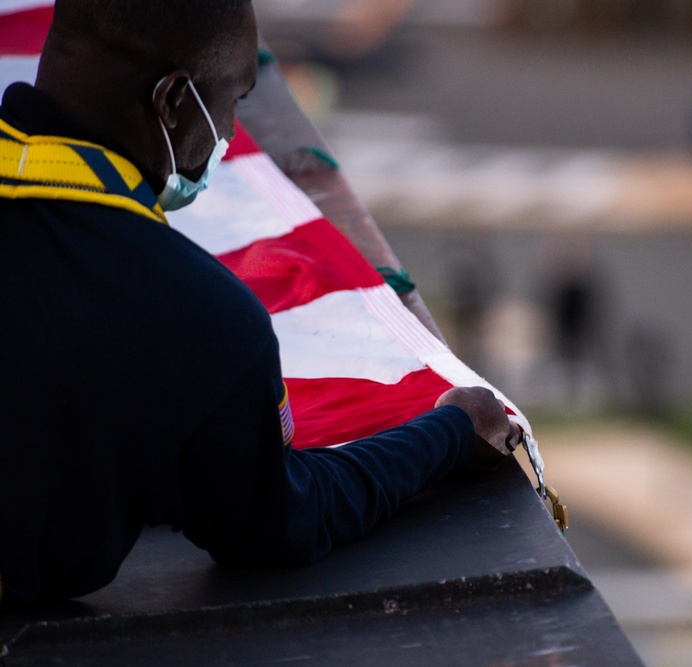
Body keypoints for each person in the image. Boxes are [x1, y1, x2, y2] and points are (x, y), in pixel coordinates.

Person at [0, 0, 516, 608]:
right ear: (171, 102)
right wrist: (455, 429)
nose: (226, 135)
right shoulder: (191, 318)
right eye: (232, 102)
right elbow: (286, 519)